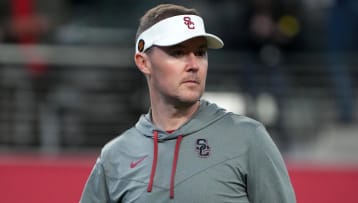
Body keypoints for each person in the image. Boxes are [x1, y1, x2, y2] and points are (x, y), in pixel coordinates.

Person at [80, 3, 296, 203]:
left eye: (201, 53)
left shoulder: (249, 139)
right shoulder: (115, 156)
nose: (194, 65)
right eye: (178, 53)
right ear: (144, 62)